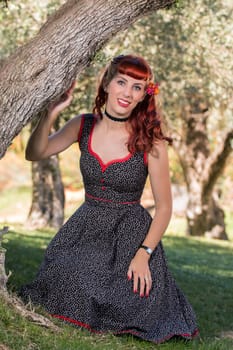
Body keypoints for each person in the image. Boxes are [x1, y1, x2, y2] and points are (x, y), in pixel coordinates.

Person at [20, 54, 198, 344]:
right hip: (86, 228)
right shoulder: (83, 125)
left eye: (137, 87)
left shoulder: (150, 140)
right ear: (106, 83)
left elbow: (165, 208)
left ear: (144, 95)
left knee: (132, 300)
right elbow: (35, 153)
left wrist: (144, 254)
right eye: (121, 82)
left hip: (132, 235)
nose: (127, 93)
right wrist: (49, 114)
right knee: (68, 279)